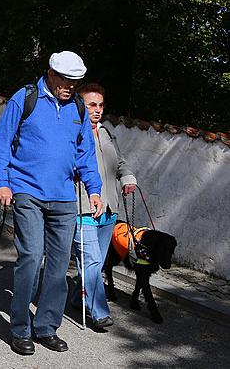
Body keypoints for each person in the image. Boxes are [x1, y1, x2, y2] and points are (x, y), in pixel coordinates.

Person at [0, 51, 103, 356]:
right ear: (50, 73)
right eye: (65, 80)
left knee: (59, 263)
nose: (70, 87)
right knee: (31, 256)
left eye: (75, 82)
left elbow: (85, 152)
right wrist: (0, 181)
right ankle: (20, 328)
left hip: (64, 196)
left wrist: (94, 188)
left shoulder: (77, 107)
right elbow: (1, 141)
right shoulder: (25, 98)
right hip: (27, 191)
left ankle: (46, 326)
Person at [72, 82, 137, 330]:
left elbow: (120, 162)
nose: (97, 110)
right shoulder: (71, 133)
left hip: (109, 208)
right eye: (91, 105)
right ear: (80, 105)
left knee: (96, 263)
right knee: (90, 260)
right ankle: (99, 312)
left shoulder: (107, 133)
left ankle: (76, 298)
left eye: (100, 105)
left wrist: (128, 178)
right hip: (83, 207)